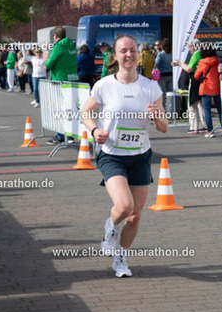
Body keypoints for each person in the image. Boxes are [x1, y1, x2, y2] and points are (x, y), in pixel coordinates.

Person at [80, 34, 168, 278]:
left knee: (135, 217)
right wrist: (94, 130)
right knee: (125, 206)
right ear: (115, 56)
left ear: (138, 54)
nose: (129, 55)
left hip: (140, 155)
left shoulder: (150, 87)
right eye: (123, 51)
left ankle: (120, 258)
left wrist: (157, 116)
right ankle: (110, 225)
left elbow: (163, 127)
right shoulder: (104, 85)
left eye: (132, 50)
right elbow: (85, 111)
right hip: (112, 155)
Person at [45, 26, 79, 144]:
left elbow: (49, 63)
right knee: (70, 108)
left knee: (59, 109)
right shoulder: (71, 46)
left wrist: (45, 63)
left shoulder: (58, 47)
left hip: (60, 79)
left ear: (55, 36)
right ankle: (70, 135)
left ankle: (60, 135)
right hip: (72, 79)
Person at [172, 39, 206, 134]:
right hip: (200, 80)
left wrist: (179, 64)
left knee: (192, 105)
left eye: (190, 46)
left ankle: (194, 127)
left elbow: (189, 69)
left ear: (195, 46)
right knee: (201, 104)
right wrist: (181, 63)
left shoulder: (196, 55)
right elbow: (191, 66)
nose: (189, 49)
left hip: (194, 80)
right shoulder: (201, 54)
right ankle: (205, 126)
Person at [194, 48, 222, 138]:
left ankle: (210, 131)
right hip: (217, 87)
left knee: (207, 110)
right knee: (220, 109)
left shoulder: (202, 62)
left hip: (206, 87)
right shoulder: (218, 61)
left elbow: (196, 76)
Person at [154, 38, 173, 109]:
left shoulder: (160, 54)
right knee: (170, 94)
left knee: (162, 94)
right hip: (171, 75)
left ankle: (163, 110)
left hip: (162, 76)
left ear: (162, 46)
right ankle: (171, 109)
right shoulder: (172, 54)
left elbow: (156, 64)